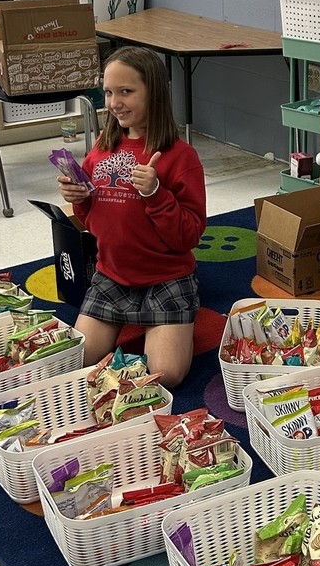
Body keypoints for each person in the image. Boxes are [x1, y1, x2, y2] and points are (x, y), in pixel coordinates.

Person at [57, 45, 207, 387]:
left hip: (167, 278)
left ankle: (176, 326)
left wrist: (156, 195)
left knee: (165, 375)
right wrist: (79, 200)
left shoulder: (181, 157)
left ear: (153, 92)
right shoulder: (102, 147)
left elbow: (189, 236)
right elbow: (95, 222)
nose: (114, 102)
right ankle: (152, 328)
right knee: (74, 360)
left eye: (126, 91)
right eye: (109, 92)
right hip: (112, 276)